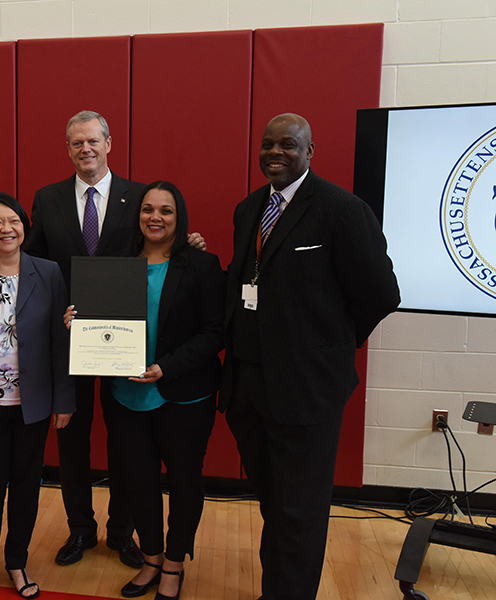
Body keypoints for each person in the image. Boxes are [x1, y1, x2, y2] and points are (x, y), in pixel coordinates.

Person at [219, 113, 400, 600]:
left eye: (289, 145)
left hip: (307, 390)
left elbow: (382, 293)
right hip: (250, 389)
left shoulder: (342, 210)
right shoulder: (248, 209)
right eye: (268, 145)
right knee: (276, 505)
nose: (276, 153)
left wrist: (330, 347)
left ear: (310, 152)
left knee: (299, 511)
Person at [66, 181, 224, 600]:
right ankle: (152, 557)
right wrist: (78, 322)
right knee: (138, 481)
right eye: (148, 209)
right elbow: (97, 326)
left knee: (185, 482)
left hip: (183, 396)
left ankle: (174, 564)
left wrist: (164, 368)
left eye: (166, 211)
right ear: (137, 215)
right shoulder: (117, 266)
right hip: (124, 396)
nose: (156, 217)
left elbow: (215, 333)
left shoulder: (203, 265)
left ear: (179, 216)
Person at [25, 110, 145, 568]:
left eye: (93, 141)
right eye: (76, 143)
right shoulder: (48, 198)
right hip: (70, 337)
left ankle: (122, 532)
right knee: (72, 441)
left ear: (109, 143)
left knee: (126, 439)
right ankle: (80, 530)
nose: (86, 149)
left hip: (123, 339)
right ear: (68, 149)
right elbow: (34, 262)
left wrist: (187, 243)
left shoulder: (138, 196)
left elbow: (156, 245)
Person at [0, 193, 75, 599]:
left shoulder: (48, 272)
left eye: (14, 220)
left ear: (25, 226)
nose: (7, 228)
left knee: (26, 485)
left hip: (34, 402)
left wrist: (64, 399)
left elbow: (61, 341)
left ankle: (17, 561)